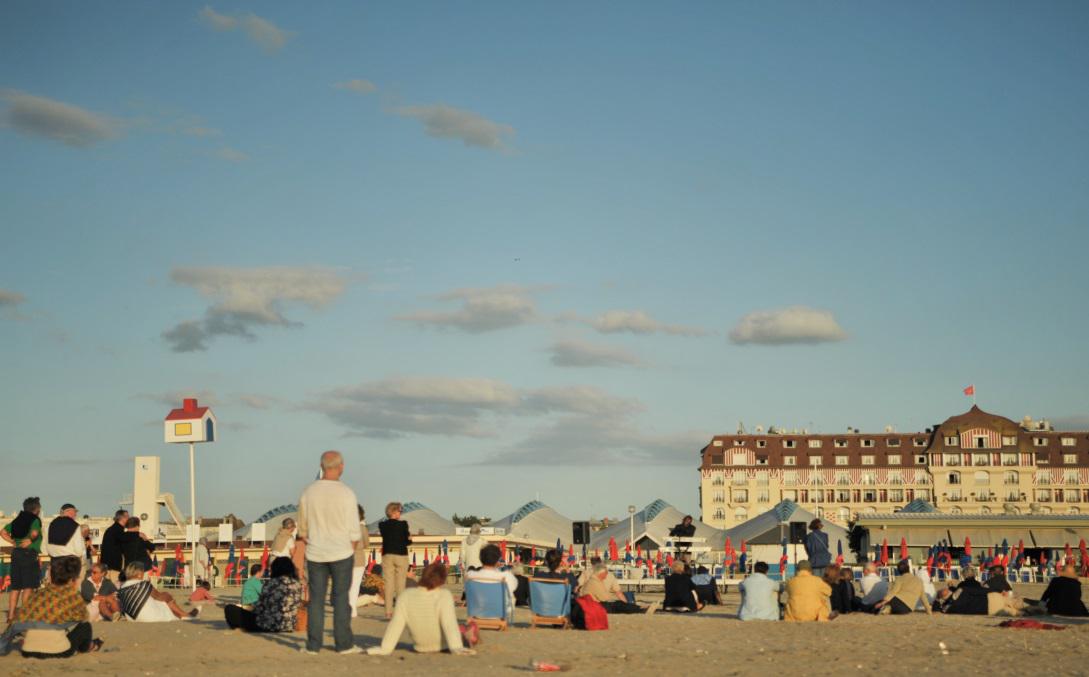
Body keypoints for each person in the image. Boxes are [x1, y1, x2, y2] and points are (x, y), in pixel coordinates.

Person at [297, 450, 362, 655]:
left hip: (316, 553)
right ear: (341, 466)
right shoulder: (347, 493)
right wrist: (349, 548)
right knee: (341, 598)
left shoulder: (309, 492)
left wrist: (312, 541)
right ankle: (343, 644)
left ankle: (313, 645)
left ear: (322, 466)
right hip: (342, 552)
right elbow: (354, 530)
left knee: (316, 600)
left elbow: (302, 528)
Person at [0, 556, 102, 657]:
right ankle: (89, 646)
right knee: (85, 627)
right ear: (72, 580)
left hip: (29, 651)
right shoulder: (73, 596)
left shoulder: (37, 595)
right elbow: (84, 618)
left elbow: (16, 623)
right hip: (57, 652)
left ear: (51, 577)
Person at [368, 562, 474, 656]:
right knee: (470, 628)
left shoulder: (405, 596)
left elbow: (395, 625)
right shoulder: (444, 595)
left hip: (420, 646)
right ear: (442, 580)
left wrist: (385, 649)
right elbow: (449, 624)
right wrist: (457, 647)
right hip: (444, 646)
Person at [225, 556, 304, 632]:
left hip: (269, 624)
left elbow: (262, 604)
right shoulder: (297, 585)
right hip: (290, 624)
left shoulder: (270, 583)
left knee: (229, 609)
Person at [1, 497, 43, 623]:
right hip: (28, 554)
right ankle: (25, 616)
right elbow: (35, 533)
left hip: (16, 553)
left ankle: (11, 616)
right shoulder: (35, 520)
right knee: (28, 586)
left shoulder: (17, 520)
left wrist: (12, 541)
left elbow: (2, 532)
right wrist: (30, 539)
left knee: (16, 587)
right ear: (36, 509)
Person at [118, 562, 197, 621]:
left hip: (134, 619)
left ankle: (184, 615)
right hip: (151, 617)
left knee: (157, 600)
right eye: (143, 572)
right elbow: (160, 597)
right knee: (165, 596)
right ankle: (185, 615)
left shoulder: (121, 589)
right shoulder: (143, 584)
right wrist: (168, 596)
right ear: (139, 574)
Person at [577, 562, 658, 615]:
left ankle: (640, 608)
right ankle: (641, 610)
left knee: (619, 604)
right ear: (600, 573)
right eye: (605, 574)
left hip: (591, 605)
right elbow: (605, 597)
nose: (606, 576)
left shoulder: (592, 580)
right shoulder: (595, 582)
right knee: (618, 605)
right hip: (595, 606)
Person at [379, 502, 412, 619]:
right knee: (400, 584)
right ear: (393, 512)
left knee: (388, 584)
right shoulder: (403, 524)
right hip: (401, 555)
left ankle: (388, 613)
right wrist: (409, 539)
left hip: (387, 555)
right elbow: (407, 541)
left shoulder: (382, 525)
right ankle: (399, 612)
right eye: (399, 511)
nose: (400, 513)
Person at [45, 504, 85, 582]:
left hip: (54, 561)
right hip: (70, 562)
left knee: (56, 588)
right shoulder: (75, 526)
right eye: (74, 512)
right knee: (69, 588)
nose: (76, 514)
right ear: (68, 512)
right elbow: (79, 550)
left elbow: (45, 546)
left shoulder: (50, 525)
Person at [349, 505, 371, 618]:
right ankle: (352, 608)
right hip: (359, 559)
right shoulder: (362, 528)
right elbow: (367, 544)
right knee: (355, 585)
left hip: (344, 559)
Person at [98, 509, 128, 584]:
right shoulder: (118, 530)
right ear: (122, 518)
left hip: (107, 564)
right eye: (127, 517)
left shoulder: (111, 529)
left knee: (106, 586)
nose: (129, 519)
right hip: (114, 566)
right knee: (115, 586)